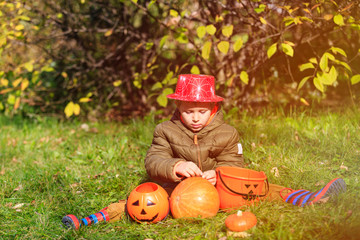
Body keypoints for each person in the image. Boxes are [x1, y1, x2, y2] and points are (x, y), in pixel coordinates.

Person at [62, 74, 346, 229]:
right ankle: (92, 218)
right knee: (143, 201)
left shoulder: (227, 133)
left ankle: (309, 198)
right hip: (178, 191)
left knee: (259, 188)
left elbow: (234, 162)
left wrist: (217, 173)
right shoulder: (165, 130)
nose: (195, 118)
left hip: (218, 189)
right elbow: (154, 159)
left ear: (213, 109)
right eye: (188, 112)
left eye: (201, 111)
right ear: (179, 109)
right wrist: (174, 167)